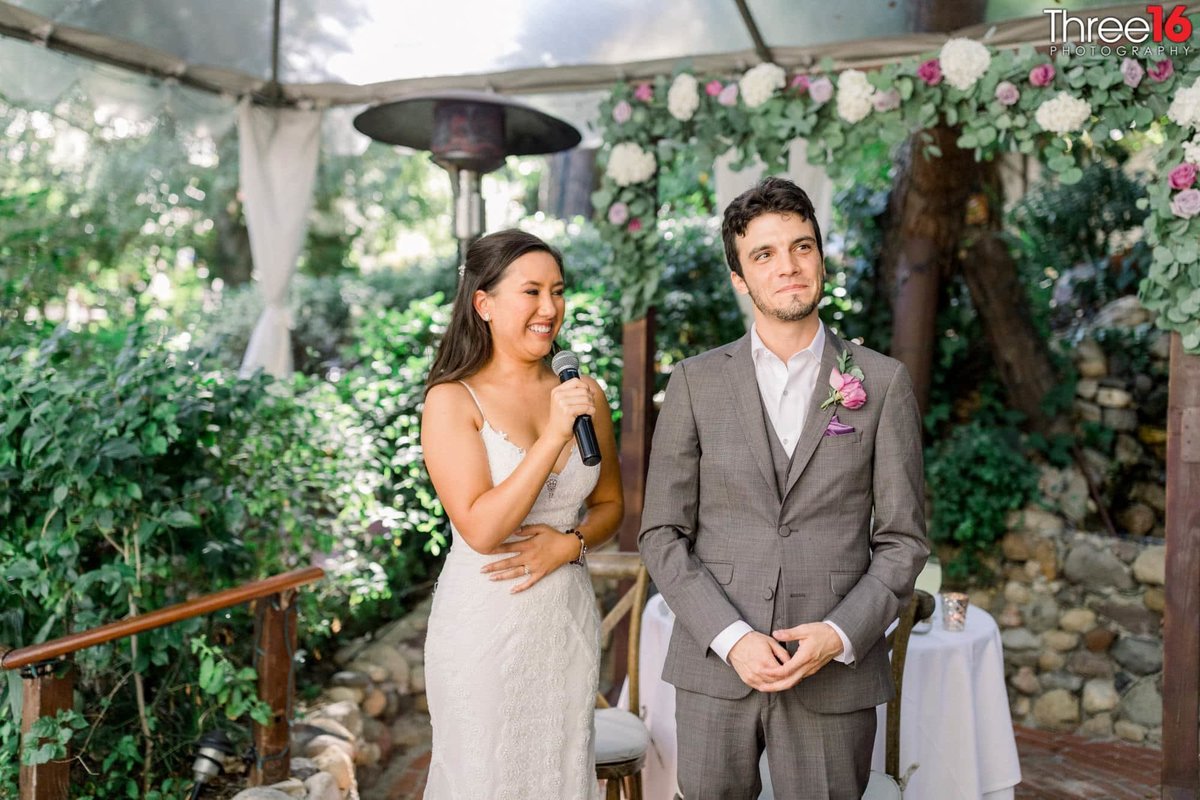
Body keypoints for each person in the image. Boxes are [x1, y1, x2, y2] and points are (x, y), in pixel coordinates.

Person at [638, 177, 929, 799]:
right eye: (764, 255)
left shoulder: (881, 383)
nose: (789, 267)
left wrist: (841, 633)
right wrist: (731, 637)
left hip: (832, 679)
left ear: (821, 258)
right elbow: (662, 532)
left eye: (802, 247)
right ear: (740, 279)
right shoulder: (693, 383)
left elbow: (903, 540)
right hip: (716, 669)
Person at [421, 229, 623, 799]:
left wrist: (571, 543)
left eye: (557, 291)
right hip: (485, 624)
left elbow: (611, 505)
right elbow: (482, 529)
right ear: (483, 304)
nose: (550, 308)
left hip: (564, 624)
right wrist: (553, 434)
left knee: (559, 774)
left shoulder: (585, 392)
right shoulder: (452, 400)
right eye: (531, 292)